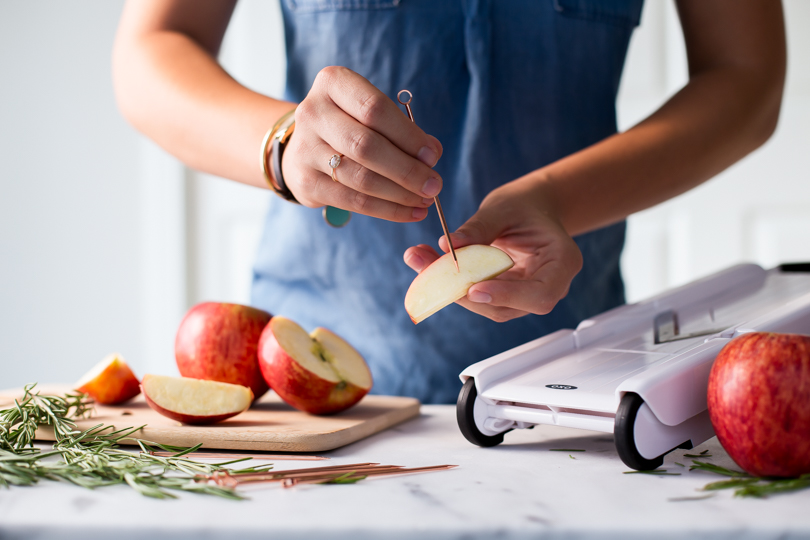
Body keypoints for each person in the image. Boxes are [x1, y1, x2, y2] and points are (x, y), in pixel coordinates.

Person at [113, 0, 786, 404]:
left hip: (572, 385)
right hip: (313, 389)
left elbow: (746, 78)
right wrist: (281, 145)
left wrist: (555, 197)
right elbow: (150, 49)